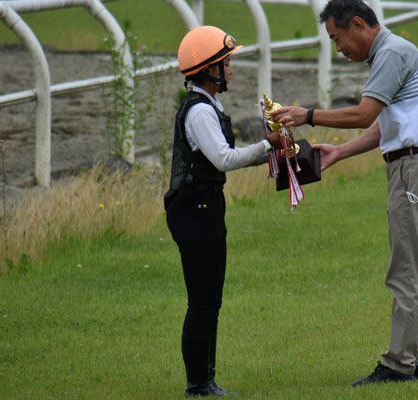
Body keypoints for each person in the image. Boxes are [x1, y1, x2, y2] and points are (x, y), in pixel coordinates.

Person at [271, 0, 418, 386]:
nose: (338, 49)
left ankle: (399, 366)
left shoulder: (391, 53)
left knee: (406, 270)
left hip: (414, 170)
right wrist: (341, 152)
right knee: (415, 268)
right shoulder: (393, 52)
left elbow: (364, 114)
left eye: (337, 38)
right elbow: (388, 124)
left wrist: (308, 115)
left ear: (357, 24)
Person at [164, 26, 281, 397]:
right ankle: (199, 384)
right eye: (225, 64)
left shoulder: (209, 106)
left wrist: (269, 151)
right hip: (195, 210)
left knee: (209, 300)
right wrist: (268, 145)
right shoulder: (200, 111)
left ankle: (206, 379)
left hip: (205, 207)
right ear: (208, 69)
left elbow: (221, 160)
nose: (230, 70)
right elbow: (225, 159)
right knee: (203, 301)